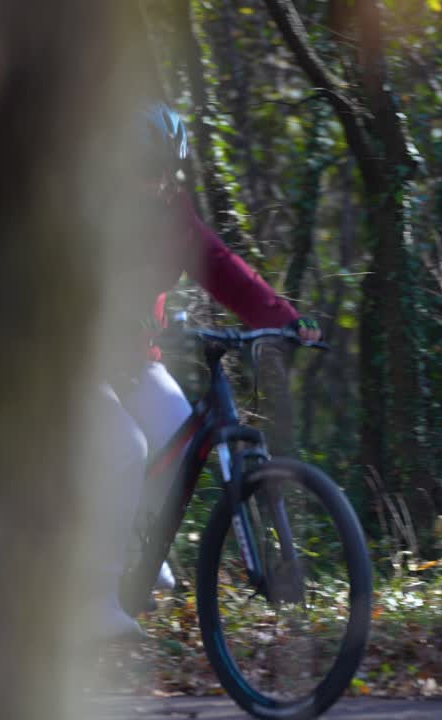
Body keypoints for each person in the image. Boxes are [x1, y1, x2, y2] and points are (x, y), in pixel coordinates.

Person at [84, 102, 320, 641]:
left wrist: (285, 319)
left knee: (181, 436)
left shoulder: (173, 215)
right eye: (147, 168)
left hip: (131, 360)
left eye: (167, 169)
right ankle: (94, 599)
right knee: (123, 448)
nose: (157, 180)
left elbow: (224, 269)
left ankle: (139, 551)